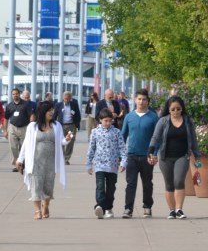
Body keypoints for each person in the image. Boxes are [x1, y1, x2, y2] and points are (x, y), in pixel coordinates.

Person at [15, 101, 73, 219]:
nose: (51, 112)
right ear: (42, 112)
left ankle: (46, 204)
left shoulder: (57, 126)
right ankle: (37, 211)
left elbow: (62, 141)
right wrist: (20, 159)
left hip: (51, 162)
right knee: (36, 185)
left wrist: (67, 139)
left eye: (52, 110)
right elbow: (26, 143)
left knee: (48, 186)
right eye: (49, 110)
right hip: (36, 161)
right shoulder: (33, 126)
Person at [148, 96, 201, 219]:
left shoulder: (187, 121)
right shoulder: (163, 121)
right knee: (169, 184)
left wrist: (197, 155)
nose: (176, 112)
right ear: (169, 109)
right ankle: (171, 210)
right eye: (173, 109)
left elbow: (193, 139)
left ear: (182, 109)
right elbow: (155, 137)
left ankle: (179, 209)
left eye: (178, 109)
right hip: (165, 157)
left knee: (178, 181)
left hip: (182, 156)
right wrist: (151, 150)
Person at [121, 88, 159, 218]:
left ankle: (147, 206)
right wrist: (120, 156)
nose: (141, 102)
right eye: (139, 99)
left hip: (147, 156)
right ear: (135, 100)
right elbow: (123, 137)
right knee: (131, 183)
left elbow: (157, 138)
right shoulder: (129, 117)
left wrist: (155, 153)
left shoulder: (153, 117)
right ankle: (128, 209)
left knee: (147, 183)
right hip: (131, 154)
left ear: (148, 101)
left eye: (144, 99)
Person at [86, 108, 128, 219]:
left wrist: (124, 162)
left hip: (112, 165)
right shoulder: (95, 132)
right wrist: (89, 163)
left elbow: (122, 148)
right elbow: (91, 148)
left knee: (111, 189)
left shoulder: (116, 132)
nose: (108, 123)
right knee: (100, 187)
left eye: (110, 121)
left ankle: (108, 208)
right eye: (106, 121)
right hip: (99, 164)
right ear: (100, 120)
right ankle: (99, 206)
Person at [4, 88, 34, 172]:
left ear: (19, 94)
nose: (15, 95)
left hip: (24, 127)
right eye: (13, 94)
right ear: (11, 95)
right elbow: (6, 118)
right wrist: (5, 130)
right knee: (13, 147)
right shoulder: (9, 105)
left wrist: (31, 124)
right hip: (13, 127)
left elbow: (31, 115)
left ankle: (22, 163)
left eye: (16, 93)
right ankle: (15, 164)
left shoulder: (26, 104)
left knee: (23, 147)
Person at [53, 91, 81, 166]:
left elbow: (78, 115)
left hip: (71, 126)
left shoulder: (74, 105)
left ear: (70, 98)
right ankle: (61, 157)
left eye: (68, 99)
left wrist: (77, 126)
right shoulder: (58, 105)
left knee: (70, 142)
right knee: (61, 142)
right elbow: (54, 115)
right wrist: (53, 124)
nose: (66, 100)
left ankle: (66, 158)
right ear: (63, 98)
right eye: (65, 99)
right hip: (61, 126)